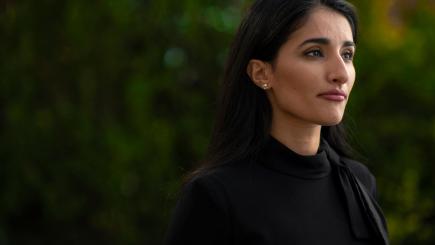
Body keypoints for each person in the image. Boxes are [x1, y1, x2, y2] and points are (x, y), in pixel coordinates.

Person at [165, 0, 389, 244]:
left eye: (347, 55)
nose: (341, 73)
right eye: (314, 52)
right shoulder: (216, 196)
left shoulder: (359, 183)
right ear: (261, 73)